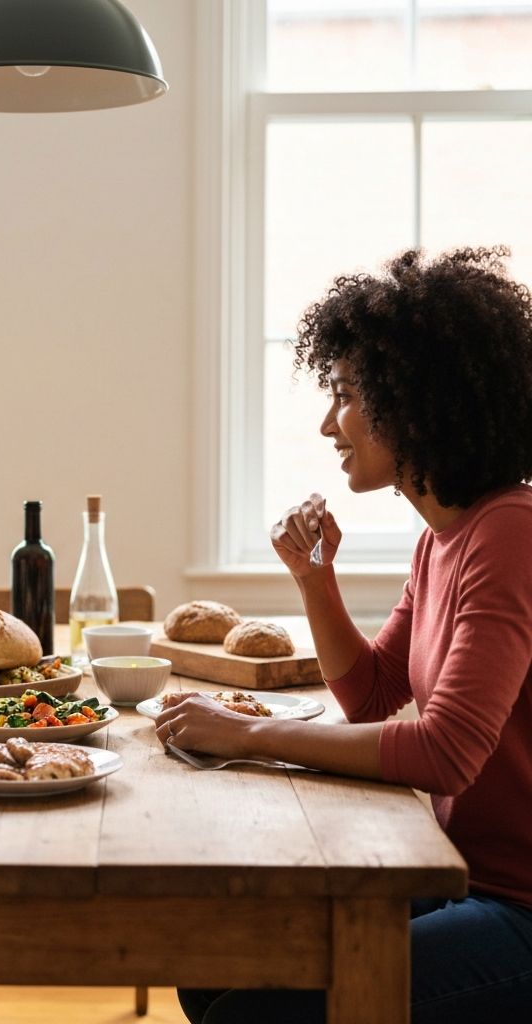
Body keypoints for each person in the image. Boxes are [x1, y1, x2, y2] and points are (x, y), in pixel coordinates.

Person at [158, 247, 532, 1024]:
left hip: (519, 907)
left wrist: (248, 735)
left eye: (345, 396)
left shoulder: (510, 535)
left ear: (414, 402)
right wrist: (312, 577)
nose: (329, 424)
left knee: (248, 1013)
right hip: (459, 871)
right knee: (209, 962)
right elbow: (371, 695)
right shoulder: (445, 538)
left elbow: (445, 752)